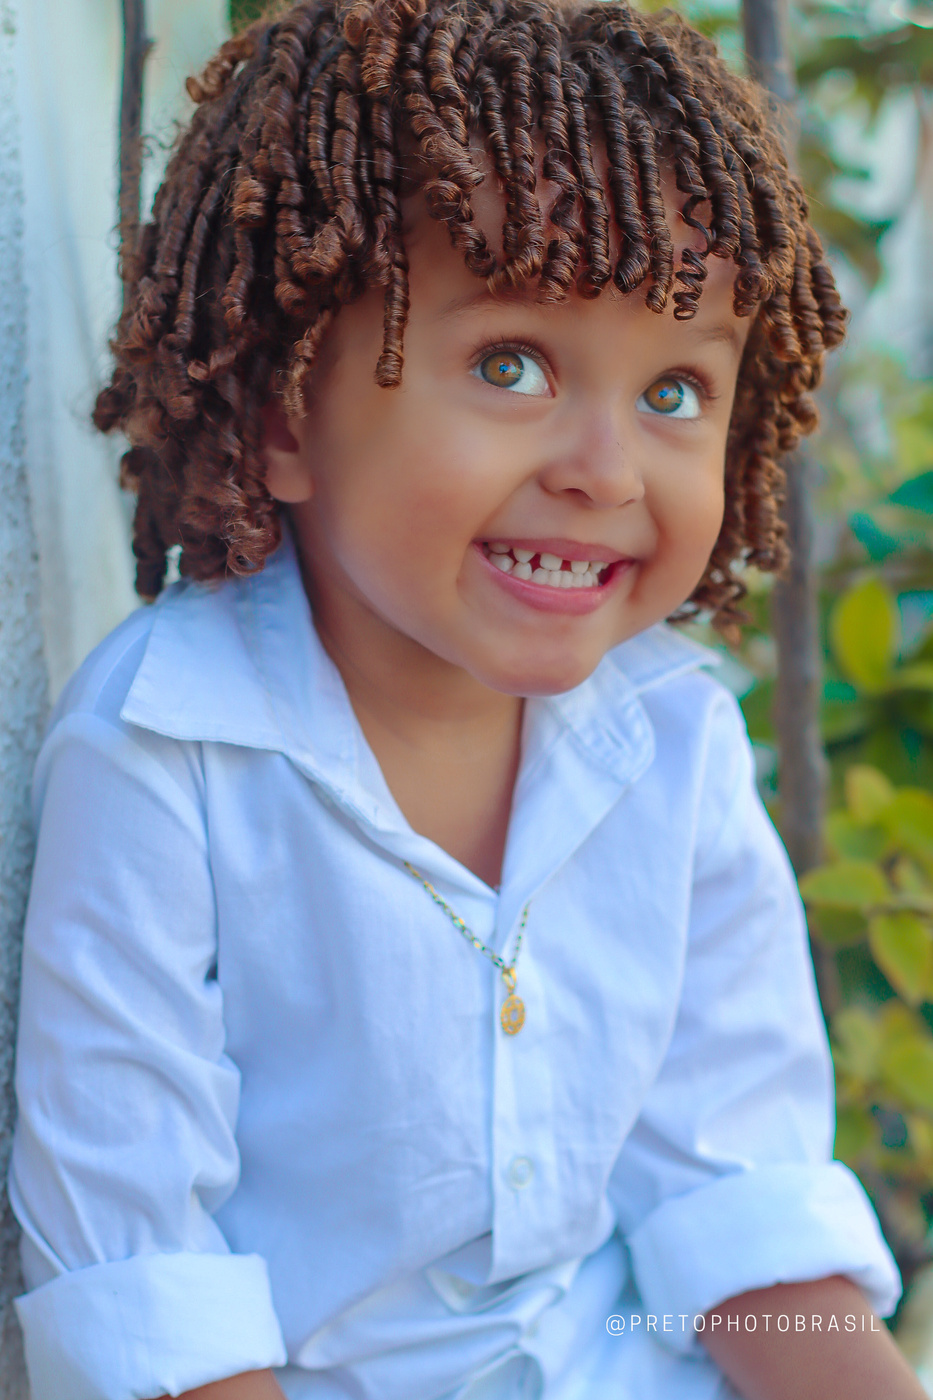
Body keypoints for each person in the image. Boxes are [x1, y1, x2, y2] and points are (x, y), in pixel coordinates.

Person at [9, 1, 924, 1397]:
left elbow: (742, 1210)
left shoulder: (675, 739)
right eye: (512, 365)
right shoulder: (163, 757)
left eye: (677, 388)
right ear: (283, 413)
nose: (607, 469)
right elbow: (149, 1300)